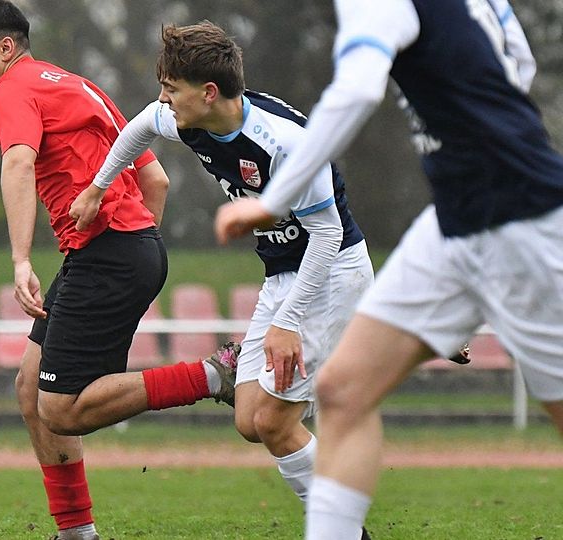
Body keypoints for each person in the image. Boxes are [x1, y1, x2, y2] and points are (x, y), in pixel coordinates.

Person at [211, 1, 563, 538]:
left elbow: (357, 90)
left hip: (522, 222)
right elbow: (519, 61)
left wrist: (272, 200)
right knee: (345, 390)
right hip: (454, 219)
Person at [72, 21, 377, 539]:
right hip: (282, 275)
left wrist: (287, 322)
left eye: (172, 88)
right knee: (250, 419)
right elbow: (140, 126)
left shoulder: (286, 143)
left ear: (209, 92)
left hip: (329, 274)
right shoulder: (188, 119)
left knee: (275, 423)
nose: (163, 99)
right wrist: (98, 188)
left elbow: (328, 236)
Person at [0, 3, 239, 539]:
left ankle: (213, 375)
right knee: (31, 386)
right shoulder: (78, 86)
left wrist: (21, 260)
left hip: (110, 253)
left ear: (6, 48)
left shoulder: (15, 90)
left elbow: (18, 162)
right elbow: (156, 182)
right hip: (125, 249)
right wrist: (134, 248)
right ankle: (76, 533)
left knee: (62, 409)